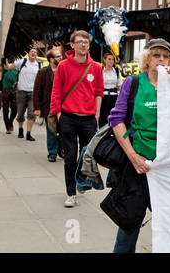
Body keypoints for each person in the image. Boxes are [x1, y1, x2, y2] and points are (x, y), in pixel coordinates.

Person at [108, 38, 170, 253]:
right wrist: (133, 156)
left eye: (165, 56)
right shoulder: (134, 82)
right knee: (130, 223)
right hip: (137, 164)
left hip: (167, 166)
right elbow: (116, 120)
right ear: (147, 59)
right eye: (156, 55)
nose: (161, 59)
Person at [50, 30, 104, 208]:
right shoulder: (64, 66)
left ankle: (82, 181)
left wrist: (97, 115)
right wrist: (58, 114)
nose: (83, 45)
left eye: (86, 42)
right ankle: (71, 192)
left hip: (88, 118)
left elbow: (99, 92)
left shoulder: (96, 67)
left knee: (87, 155)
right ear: (72, 45)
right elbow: (56, 91)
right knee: (70, 157)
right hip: (68, 118)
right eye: (79, 42)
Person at [3, 48, 41, 140]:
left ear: (37, 55)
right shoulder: (23, 62)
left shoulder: (39, 65)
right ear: (28, 53)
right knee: (20, 113)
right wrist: (4, 60)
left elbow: (42, 78)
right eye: (31, 52)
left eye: (35, 52)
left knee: (31, 113)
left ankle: (28, 133)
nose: (33, 53)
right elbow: (8, 67)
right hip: (21, 91)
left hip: (32, 92)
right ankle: (20, 129)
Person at [33, 49, 64, 162]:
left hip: (63, 106)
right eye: (58, 56)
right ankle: (52, 153)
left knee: (63, 130)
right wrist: (37, 108)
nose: (61, 58)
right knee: (51, 130)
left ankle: (61, 150)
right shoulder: (43, 72)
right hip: (49, 106)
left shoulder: (64, 70)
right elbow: (37, 91)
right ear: (51, 59)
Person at [99, 53, 122, 127]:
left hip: (114, 96)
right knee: (102, 116)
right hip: (103, 96)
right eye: (109, 59)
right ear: (104, 60)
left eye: (112, 59)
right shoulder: (101, 71)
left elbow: (119, 84)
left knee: (112, 115)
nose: (111, 61)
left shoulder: (116, 70)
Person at [1, 54, 18, 134]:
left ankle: (10, 121)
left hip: (14, 89)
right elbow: (2, 63)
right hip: (6, 89)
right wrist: (3, 58)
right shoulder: (5, 68)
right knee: (5, 108)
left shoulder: (16, 69)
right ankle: (7, 127)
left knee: (15, 108)